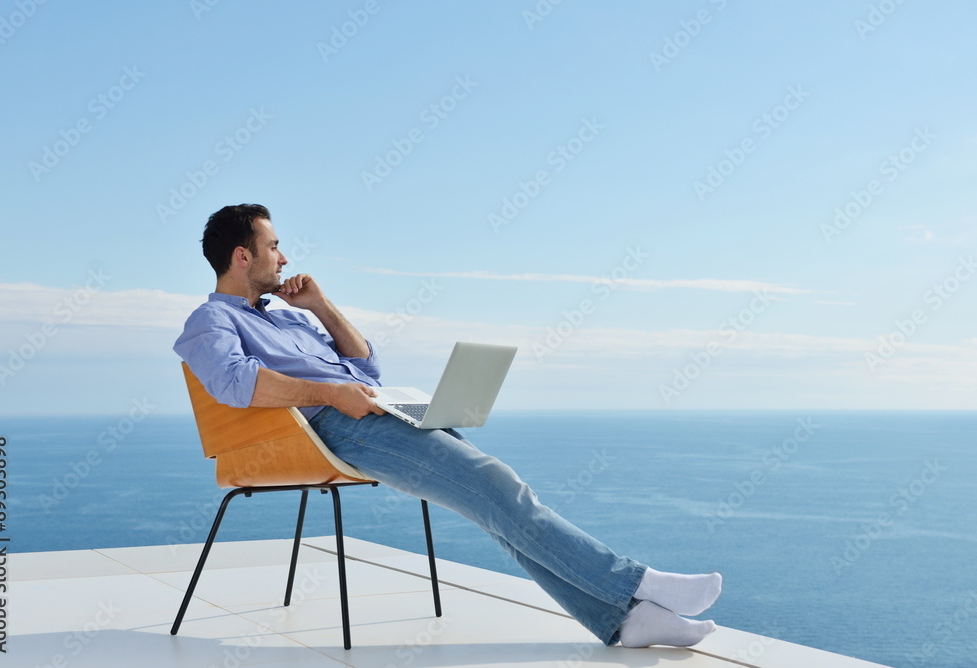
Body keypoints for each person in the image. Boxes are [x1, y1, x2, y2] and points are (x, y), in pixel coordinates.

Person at [174, 204, 722, 648]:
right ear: (242, 256)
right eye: (273, 247)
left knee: (494, 497)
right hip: (332, 430)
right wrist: (330, 393)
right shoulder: (211, 320)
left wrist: (321, 307)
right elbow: (232, 381)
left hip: (368, 411)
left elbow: (367, 368)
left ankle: (625, 623)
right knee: (496, 487)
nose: (284, 256)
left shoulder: (290, 317)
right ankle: (637, 584)